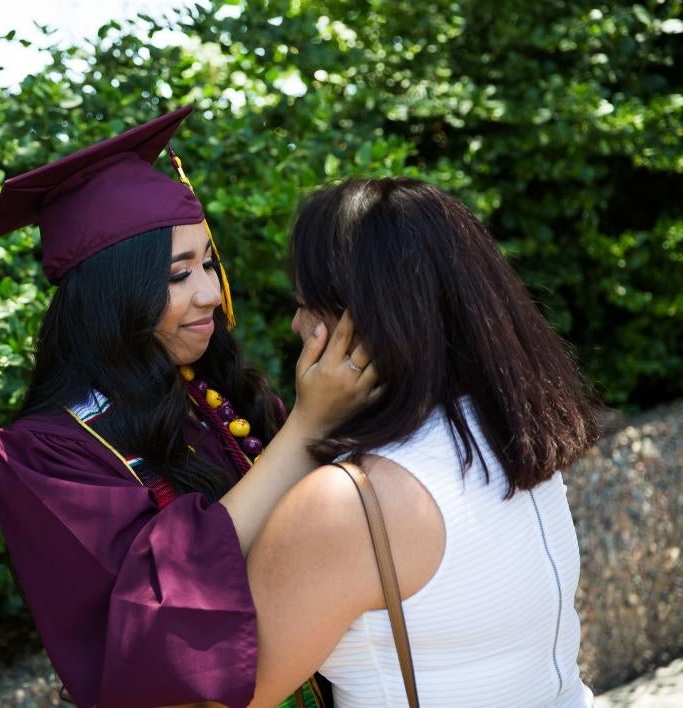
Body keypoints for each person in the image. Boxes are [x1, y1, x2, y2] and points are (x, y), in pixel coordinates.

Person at [0, 106, 378, 708]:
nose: (210, 293)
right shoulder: (43, 454)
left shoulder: (212, 391)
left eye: (208, 263)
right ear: (114, 296)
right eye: (177, 274)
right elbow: (153, 609)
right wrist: (308, 426)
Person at [244, 177, 601, 707]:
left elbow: (226, 692)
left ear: (360, 324)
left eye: (304, 304)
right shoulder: (510, 433)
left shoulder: (347, 505)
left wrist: (305, 426)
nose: (295, 323)